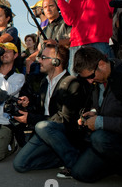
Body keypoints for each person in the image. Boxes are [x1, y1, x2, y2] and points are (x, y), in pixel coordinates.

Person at [13, 43, 87, 174]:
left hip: (62, 133)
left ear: (56, 61)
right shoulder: (44, 82)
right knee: (20, 164)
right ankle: (60, 158)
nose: (39, 60)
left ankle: (74, 163)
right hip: (43, 131)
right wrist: (28, 105)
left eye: (43, 57)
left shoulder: (72, 83)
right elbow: (40, 111)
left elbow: (63, 119)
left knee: (43, 126)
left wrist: (30, 118)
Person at [69, 47, 122, 182]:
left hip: (121, 136)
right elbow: (103, 104)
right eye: (86, 79)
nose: (90, 81)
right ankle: (114, 163)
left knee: (99, 138)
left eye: (90, 76)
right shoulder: (98, 78)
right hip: (111, 135)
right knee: (80, 173)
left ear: (101, 64)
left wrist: (100, 122)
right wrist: (94, 112)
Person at [25, 0, 71, 72]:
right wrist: (30, 58)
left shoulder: (66, 22)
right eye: (45, 7)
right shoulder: (44, 30)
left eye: (51, 6)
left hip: (65, 66)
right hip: (48, 69)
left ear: (57, 7)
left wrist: (57, 43)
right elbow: (40, 50)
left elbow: (73, 40)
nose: (48, 9)